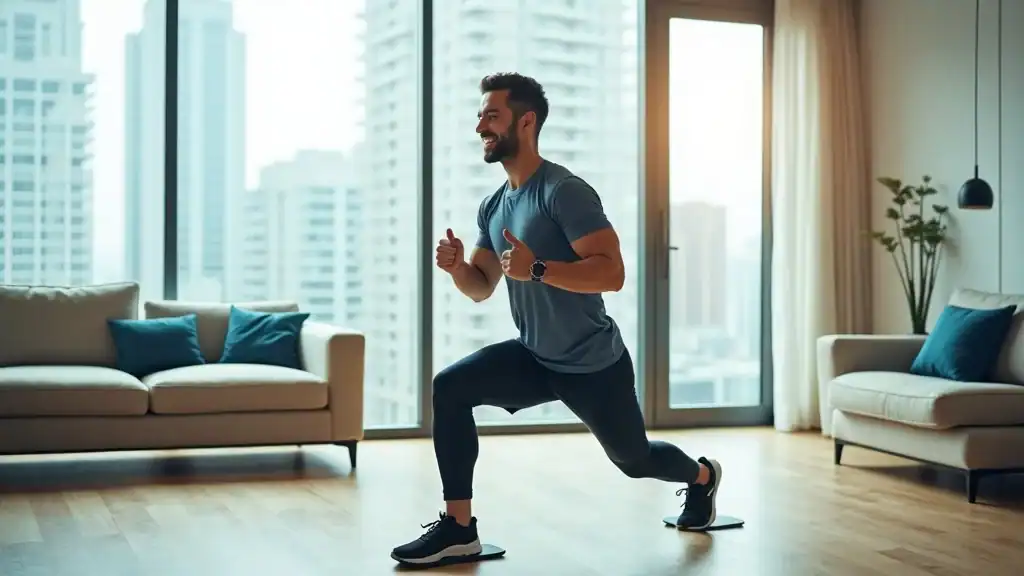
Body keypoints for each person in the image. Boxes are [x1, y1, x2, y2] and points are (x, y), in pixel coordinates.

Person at [390, 72, 722, 566]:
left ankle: (702, 477)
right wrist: (459, 266)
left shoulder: (563, 191)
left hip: (593, 364)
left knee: (635, 461)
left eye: (492, 115)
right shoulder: (496, 203)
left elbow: (612, 274)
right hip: (535, 356)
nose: (480, 124)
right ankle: (459, 527)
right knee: (450, 387)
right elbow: (481, 286)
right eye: (480, 114)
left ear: (526, 122)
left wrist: (539, 268)